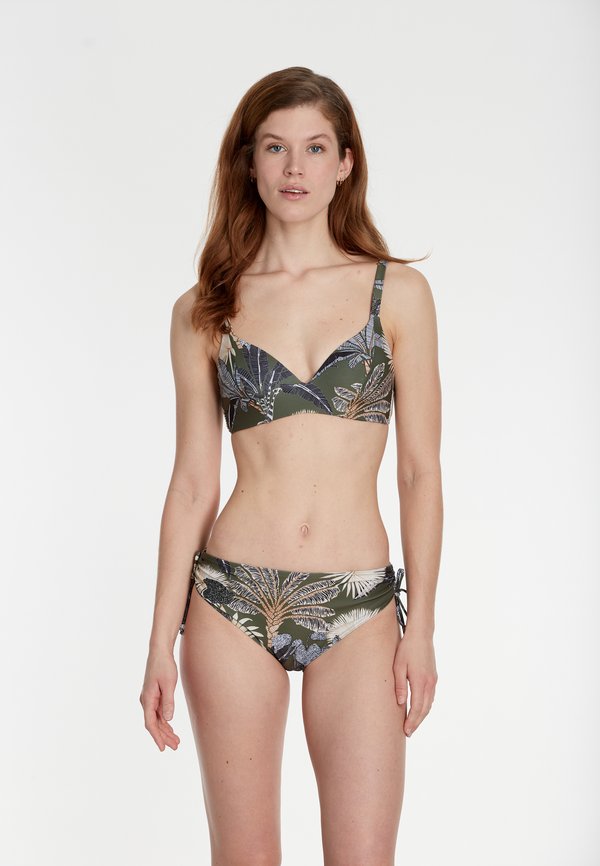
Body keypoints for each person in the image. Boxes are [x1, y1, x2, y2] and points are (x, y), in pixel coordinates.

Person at [140, 66, 442, 865]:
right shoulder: (205, 308)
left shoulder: (398, 295)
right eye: (275, 147)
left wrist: (422, 629)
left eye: (314, 147)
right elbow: (192, 483)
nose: (295, 168)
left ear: (346, 162)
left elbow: (420, 473)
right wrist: (159, 641)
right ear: (249, 163)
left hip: (359, 606)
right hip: (230, 600)